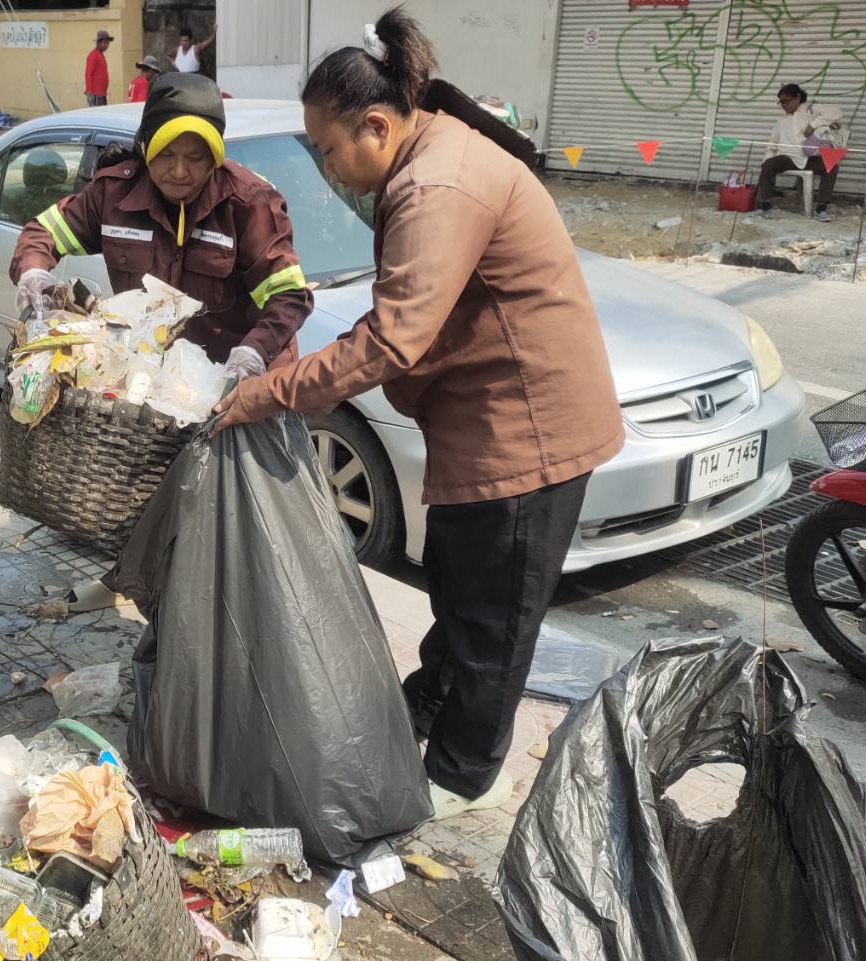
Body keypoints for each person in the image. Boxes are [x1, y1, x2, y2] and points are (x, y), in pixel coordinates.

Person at [214, 7, 623, 821]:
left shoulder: (436, 184)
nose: (326, 168)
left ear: (375, 125)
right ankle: (425, 710)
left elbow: (390, 339)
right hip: (482, 418)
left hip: (527, 432)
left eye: (328, 150)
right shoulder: (427, 154)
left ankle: (468, 773)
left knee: (494, 619)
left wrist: (268, 391)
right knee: (462, 590)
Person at [13, 70, 311, 379]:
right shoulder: (113, 194)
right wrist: (33, 272)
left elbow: (288, 295)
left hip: (237, 381)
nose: (179, 171)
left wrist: (255, 351)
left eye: (195, 157)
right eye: (166, 154)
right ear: (146, 148)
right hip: (153, 381)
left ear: (214, 157)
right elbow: (43, 233)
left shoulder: (248, 204)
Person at [757, 83, 845, 221]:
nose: (784, 105)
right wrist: (765, 163)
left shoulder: (811, 110)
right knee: (768, 165)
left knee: (832, 167)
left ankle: (821, 209)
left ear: (797, 97)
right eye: (781, 102)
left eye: (787, 100)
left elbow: (837, 112)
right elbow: (772, 144)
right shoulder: (781, 120)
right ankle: (765, 207)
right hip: (787, 158)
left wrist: (813, 125)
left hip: (808, 158)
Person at [84, 30, 113, 107]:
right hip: (96, 95)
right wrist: (89, 92)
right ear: (98, 43)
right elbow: (88, 74)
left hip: (102, 94)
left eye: (108, 43)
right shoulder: (93, 55)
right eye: (105, 43)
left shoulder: (100, 55)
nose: (106, 45)